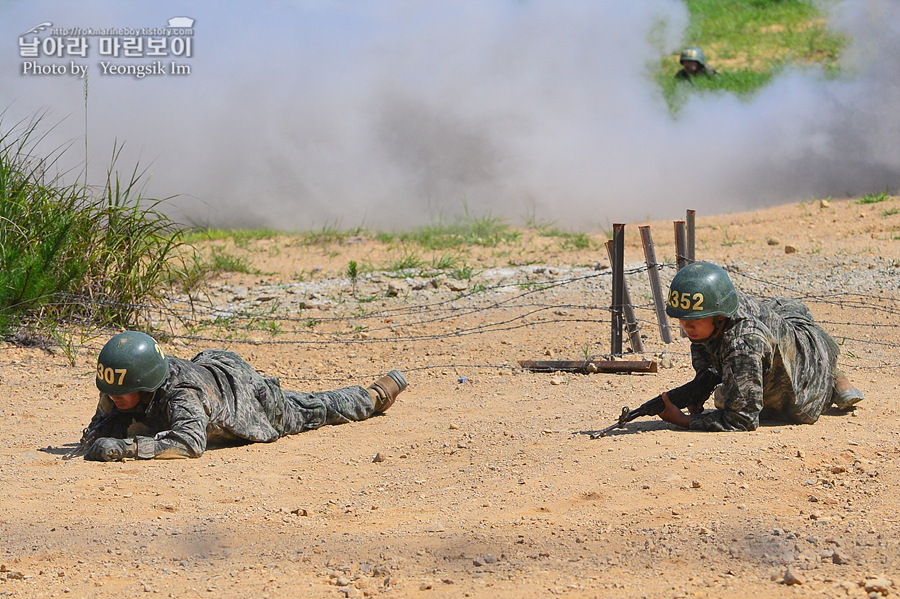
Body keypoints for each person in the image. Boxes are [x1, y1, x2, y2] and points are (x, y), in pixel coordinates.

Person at [81, 331, 408, 461]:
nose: (114, 398)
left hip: (254, 403)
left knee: (314, 408)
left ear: (145, 384)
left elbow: (190, 443)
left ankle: (373, 396)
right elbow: (103, 423)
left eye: (122, 394)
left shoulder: (182, 396)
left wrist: (128, 448)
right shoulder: (121, 387)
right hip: (214, 371)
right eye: (111, 392)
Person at [657, 262, 864, 432]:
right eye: (682, 319)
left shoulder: (743, 344)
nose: (687, 327)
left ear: (719, 316)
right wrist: (702, 384)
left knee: (725, 399)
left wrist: (683, 421)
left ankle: (833, 377)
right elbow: (706, 352)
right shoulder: (723, 303)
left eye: (695, 319)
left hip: (805, 395)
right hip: (792, 342)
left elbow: (742, 419)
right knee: (787, 309)